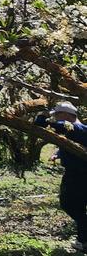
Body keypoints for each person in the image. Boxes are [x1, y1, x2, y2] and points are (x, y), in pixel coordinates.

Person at [36, 101, 87, 252]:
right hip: (78, 172)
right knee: (78, 207)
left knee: (69, 205)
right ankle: (82, 240)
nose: (56, 118)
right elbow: (72, 144)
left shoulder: (73, 127)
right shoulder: (79, 130)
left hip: (77, 175)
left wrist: (42, 114)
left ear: (66, 115)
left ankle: (84, 239)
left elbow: (41, 124)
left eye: (57, 115)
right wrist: (58, 154)